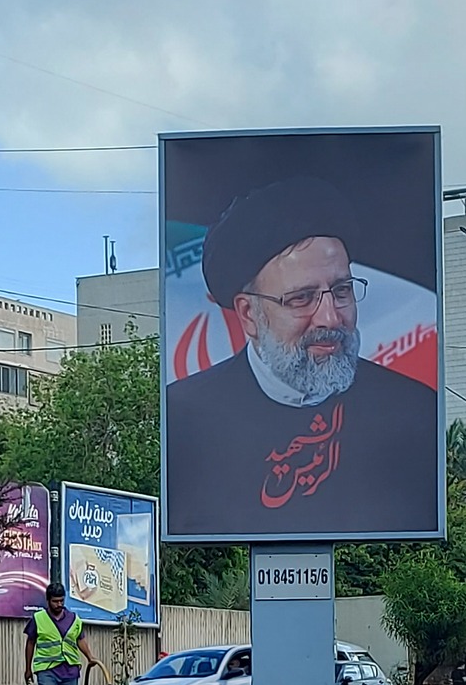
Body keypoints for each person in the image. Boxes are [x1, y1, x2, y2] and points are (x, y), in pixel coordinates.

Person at [164, 175, 440, 536]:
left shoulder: (414, 409)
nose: (331, 318)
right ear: (249, 315)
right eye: (300, 299)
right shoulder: (184, 418)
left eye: (341, 291)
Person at [24, 582, 88, 685]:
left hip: (70, 670)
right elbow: (30, 642)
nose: (59, 604)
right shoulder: (38, 619)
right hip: (47, 670)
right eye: (55, 601)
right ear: (48, 600)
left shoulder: (74, 619)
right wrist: (28, 668)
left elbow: (80, 640)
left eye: (61, 601)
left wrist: (90, 657)